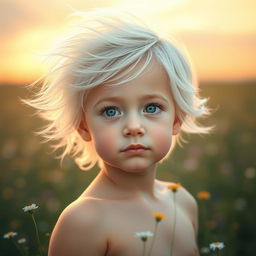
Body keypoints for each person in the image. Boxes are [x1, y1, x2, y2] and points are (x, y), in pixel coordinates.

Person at [25, 9, 212, 256]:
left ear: (176, 120)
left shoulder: (183, 202)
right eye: (111, 111)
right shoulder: (84, 221)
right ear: (83, 126)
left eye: (151, 107)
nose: (134, 126)